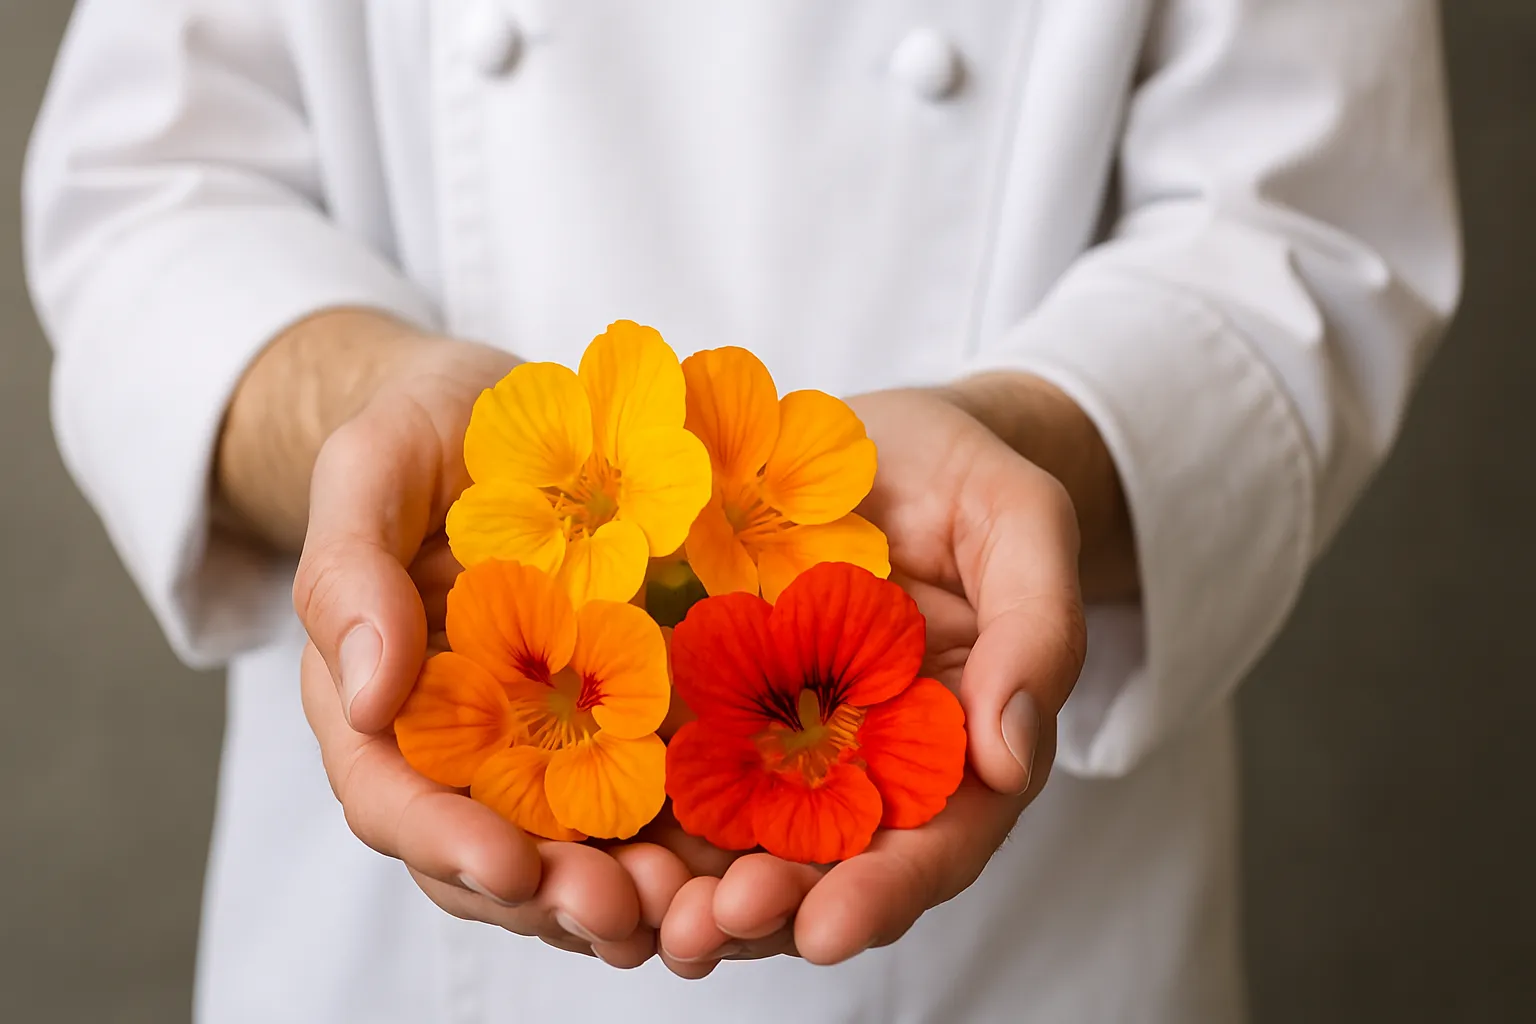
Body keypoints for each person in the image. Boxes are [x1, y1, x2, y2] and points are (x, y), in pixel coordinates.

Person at [23, 1, 1459, 1021]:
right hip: (399, 933)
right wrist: (362, 406)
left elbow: (1307, 231)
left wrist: (1036, 446)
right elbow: (151, 194)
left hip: (1027, 933)